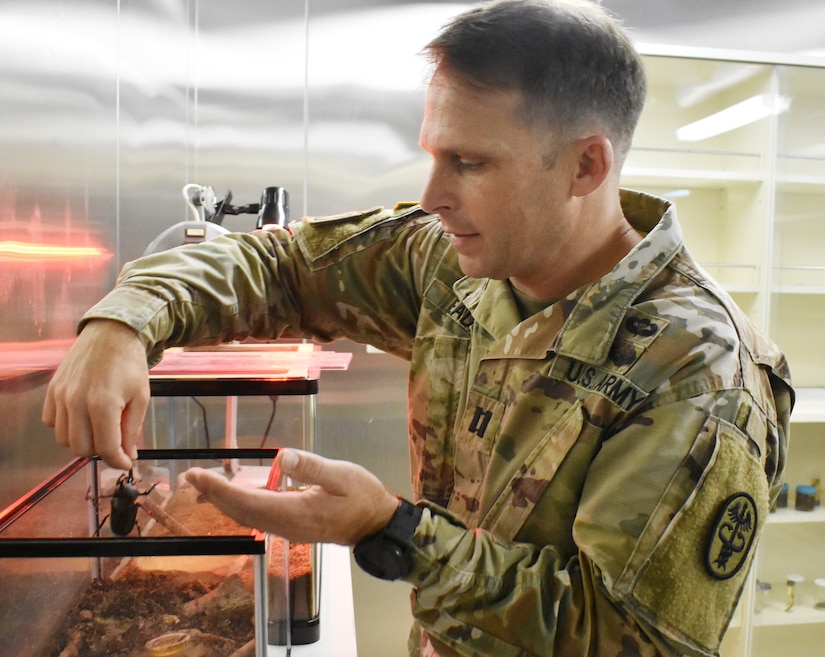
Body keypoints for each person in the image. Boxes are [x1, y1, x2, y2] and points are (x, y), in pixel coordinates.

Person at [42, 1, 793, 655]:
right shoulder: (452, 263)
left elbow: (628, 636)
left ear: (585, 166)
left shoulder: (696, 367)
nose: (431, 195)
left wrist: (393, 531)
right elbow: (282, 265)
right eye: (433, 154)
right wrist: (124, 320)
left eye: (469, 162)